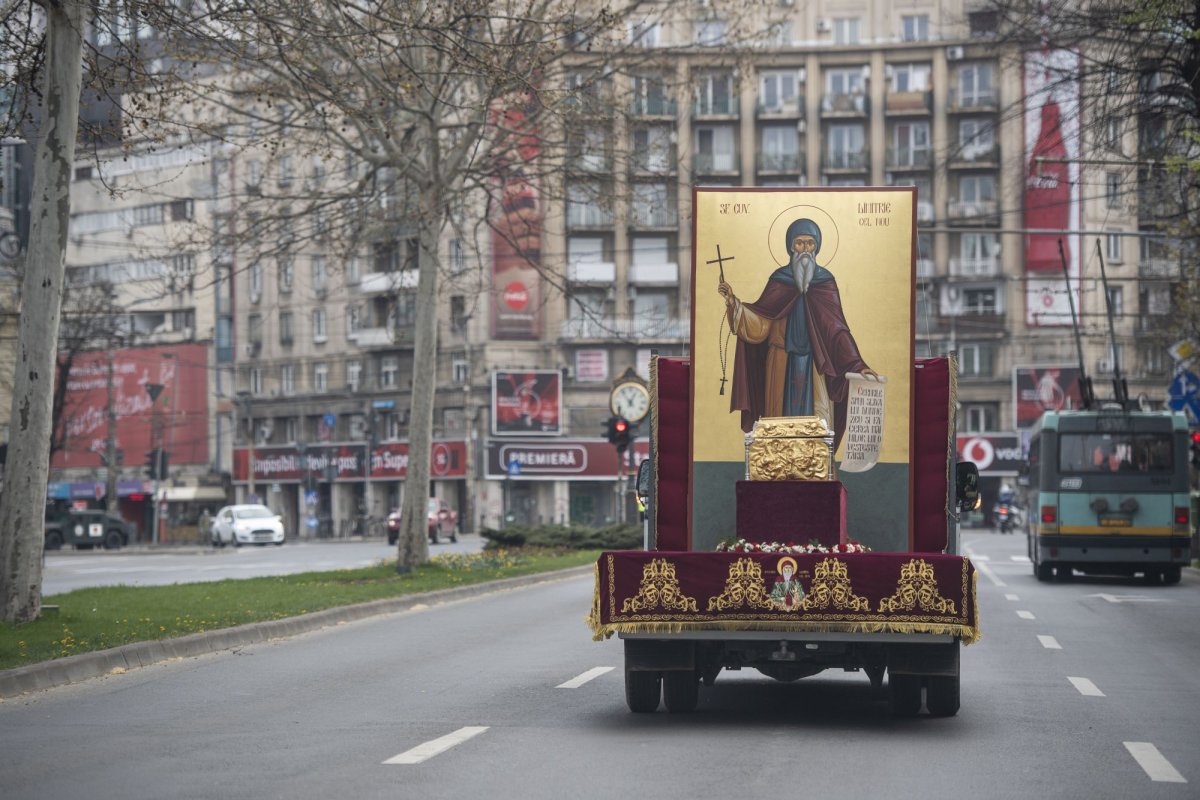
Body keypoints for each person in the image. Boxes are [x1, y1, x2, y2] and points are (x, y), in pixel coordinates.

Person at [718, 218, 879, 451]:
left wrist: (857, 364)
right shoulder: (779, 280)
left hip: (815, 364)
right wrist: (733, 303)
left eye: (810, 244)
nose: (805, 249)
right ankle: (775, 460)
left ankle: (817, 461)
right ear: (791, 246)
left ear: (817, 247)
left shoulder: (825, 282)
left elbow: (837, 329)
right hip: (780, 359)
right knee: (777, 419)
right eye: (800, 243)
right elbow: (762, 320)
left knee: (819, 420)